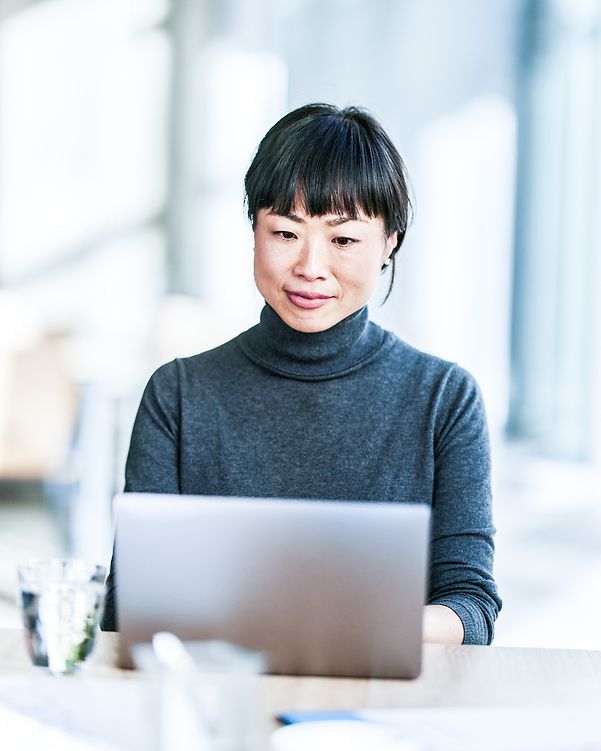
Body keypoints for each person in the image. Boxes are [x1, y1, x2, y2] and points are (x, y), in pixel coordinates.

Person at [101, 103, 502, 644]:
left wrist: (337, 629)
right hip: (217, 692)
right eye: (286, 233)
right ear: (254, 231)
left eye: (343, 241)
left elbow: (470, 608)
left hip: (385, 705)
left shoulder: (444, 399)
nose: (311, 267)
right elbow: (129, 602)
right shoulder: (178, 395)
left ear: (390, 243)